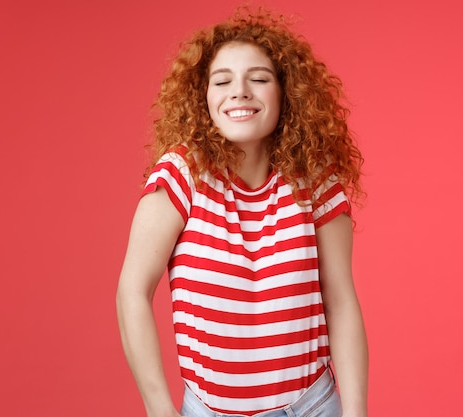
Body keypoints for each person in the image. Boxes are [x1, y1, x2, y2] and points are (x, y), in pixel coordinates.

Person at [116, 7, 368, 417]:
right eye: (223, 81)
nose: (240, 92)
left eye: (259, 79)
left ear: (286, 94)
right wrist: (160, 410)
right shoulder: (181, 176)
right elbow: (131, 293)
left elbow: (341, 302)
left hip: (312, 407)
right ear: (203, 98)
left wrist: (357, 414)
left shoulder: (315, 182)